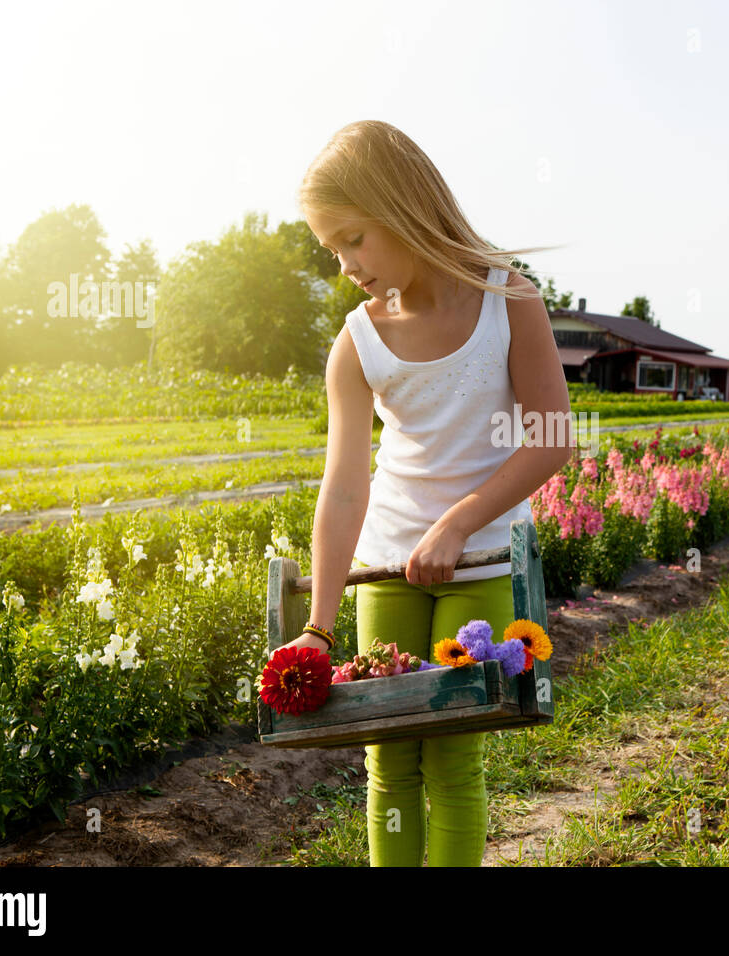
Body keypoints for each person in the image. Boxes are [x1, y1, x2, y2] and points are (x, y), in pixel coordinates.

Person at [271, 120, 573, 866]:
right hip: (387, 568)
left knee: (450, 761)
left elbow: (550, 437)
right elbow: (346, 488)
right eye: (330, 249)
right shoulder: (357, 342)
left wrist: (458, 524)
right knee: (390, 764)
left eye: (353, 239)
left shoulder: (509, 299)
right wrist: (319, 625)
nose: (345, 265)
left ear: (401, 207)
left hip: (480, 564)